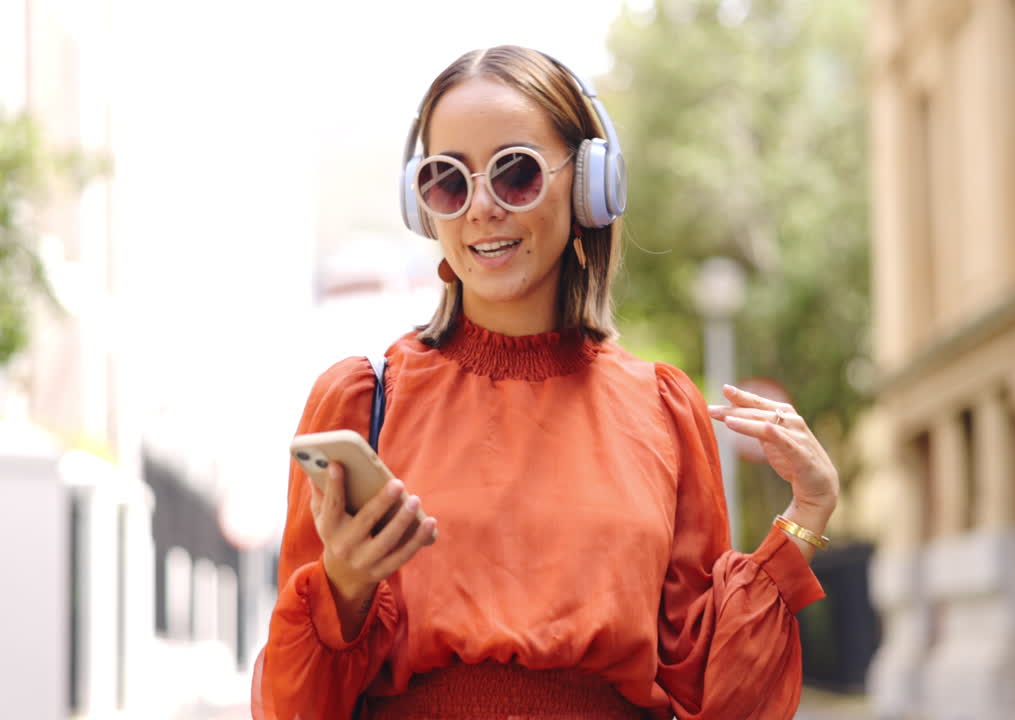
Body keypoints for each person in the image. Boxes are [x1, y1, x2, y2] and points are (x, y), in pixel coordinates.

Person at [253, 45, 840, 720]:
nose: (481, 209)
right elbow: (290, 706)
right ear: (423, 208)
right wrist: (345, 588)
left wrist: (804, 521)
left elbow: (719, 697)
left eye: (516, 174)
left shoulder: (661, 409)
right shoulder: (360, 402)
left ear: (590, 184)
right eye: (449, 181)